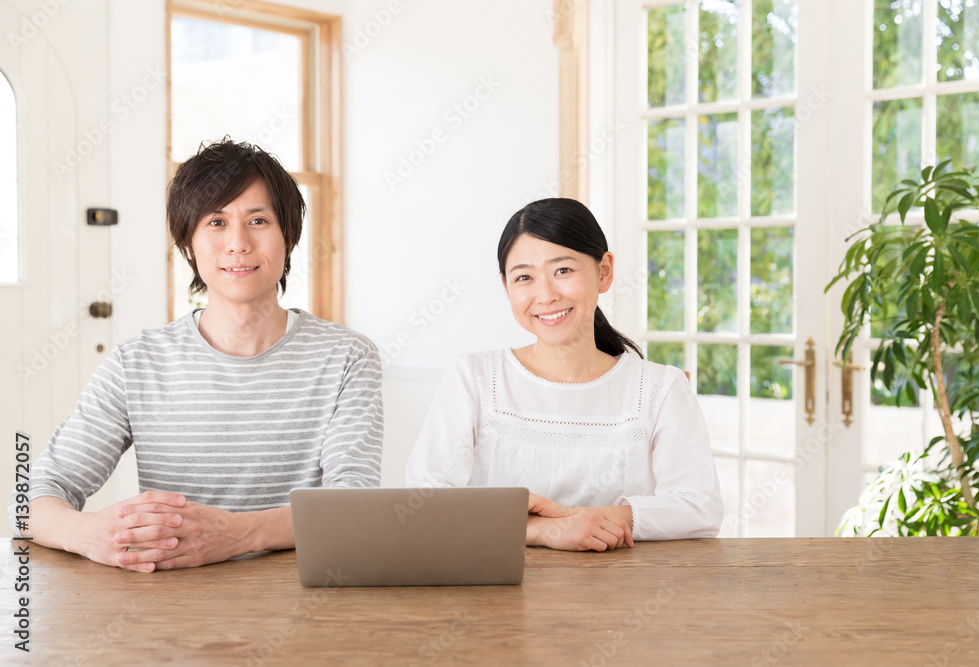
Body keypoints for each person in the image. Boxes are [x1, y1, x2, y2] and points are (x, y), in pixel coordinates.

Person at [9, 139, 383, 571]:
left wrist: (237, 535)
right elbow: (30, 499)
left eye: (258, 220)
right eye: (216, 222)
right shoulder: (138, 362)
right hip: (169, 598)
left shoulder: (348, 357)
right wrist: (89, 534)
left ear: (289, 237)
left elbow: (354, 504)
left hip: (301, 596)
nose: (238, 243)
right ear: (188, 243)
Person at [405, 198, 722, 551]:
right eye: (524, 277)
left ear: (604, 272)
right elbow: (425, 501)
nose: (546, 295)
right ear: (506, 286)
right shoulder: (475, 377)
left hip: (624, 592)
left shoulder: (661, 388)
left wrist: (582, 520)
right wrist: (545, 530)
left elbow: (700, 507)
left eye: (563, 271)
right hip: (497, 592)